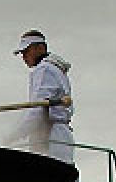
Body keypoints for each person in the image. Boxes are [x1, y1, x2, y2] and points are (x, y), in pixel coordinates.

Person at [8, 30, 75, 165]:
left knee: (51, 176)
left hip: (49, 135)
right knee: (65, 175)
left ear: (40, 48)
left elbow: (37, 109)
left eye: (26, 51)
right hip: (61, 135)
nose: (24, 57)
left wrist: (12, 136)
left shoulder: (43, 69)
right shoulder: (56, 69)